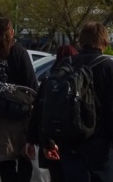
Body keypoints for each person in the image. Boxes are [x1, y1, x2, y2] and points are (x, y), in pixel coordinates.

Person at [51, 22, 113, 182]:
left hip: (69, 143)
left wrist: (48, 140)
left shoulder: (66, 64)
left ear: (81, 41)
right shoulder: (110, 69)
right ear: (105, 41)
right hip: (100, 145)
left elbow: (52, 102)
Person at [0, 17, 39, 182]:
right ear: (12, 32)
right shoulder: (20, 53)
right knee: (25, 158)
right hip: (22, 116)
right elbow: (32, 87)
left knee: (5, 162)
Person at [25, 43, 77, 182]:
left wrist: (32, 140)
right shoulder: (78, 83)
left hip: (50, 142)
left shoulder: (49, 82)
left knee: (55, 176)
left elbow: (38, 113)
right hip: (72, 143)